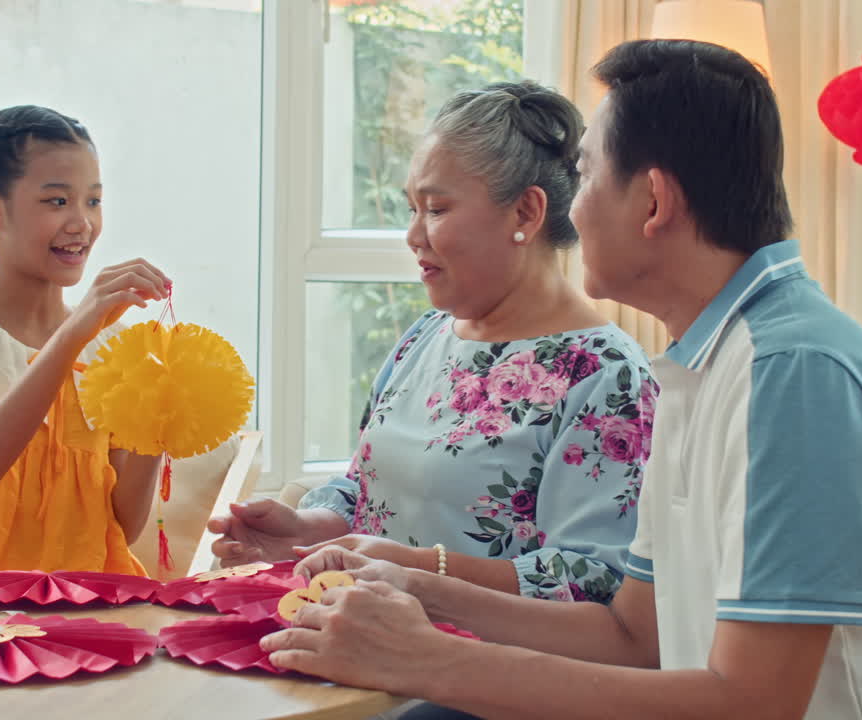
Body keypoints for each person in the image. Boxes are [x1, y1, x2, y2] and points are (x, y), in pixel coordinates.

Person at [261, 40, 862, 719]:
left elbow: (755, 705)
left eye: (591, 175)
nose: (572, 208)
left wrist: (424, 661)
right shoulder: (701, 360)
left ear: (655, 202)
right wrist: (415, 586)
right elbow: (634, 637)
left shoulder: (798, 374)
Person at [209, 81, 656, 603]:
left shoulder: (606, 377)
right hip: (368, 647)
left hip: (482, 672)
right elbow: (368, 488)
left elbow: (592, 579)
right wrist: (307, 526)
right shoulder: (425, 337)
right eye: (411, 209)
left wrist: (421, 570)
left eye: (437, 209)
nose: (414, 235)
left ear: (526, 214)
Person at [0, 105, 172, 581]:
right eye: (56, 201)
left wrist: (158, 420)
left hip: (93, 612)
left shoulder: (112, 348)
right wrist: (77, 329)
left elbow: (123, 527)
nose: (81, 224)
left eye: (93, 201)